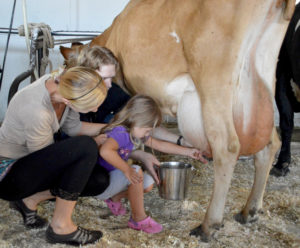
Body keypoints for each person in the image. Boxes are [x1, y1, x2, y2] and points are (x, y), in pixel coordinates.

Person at [0, 66, 111, 246]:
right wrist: (93, 145)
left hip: (29, 165)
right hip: (8, 175)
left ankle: (29, 200)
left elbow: (73, 128)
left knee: (99, 180)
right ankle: (61, 227)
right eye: (92, 106)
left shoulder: (67, 87)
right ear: (69, 100)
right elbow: (49, 164)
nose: (96, 109)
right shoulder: (37, 110)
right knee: (86, 147)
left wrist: (114, 128)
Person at [96, 94, 207, 234]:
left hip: (113, 179)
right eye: (147, 130)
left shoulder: (134, 133)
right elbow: (105, 151)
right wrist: (127, 169)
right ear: (137, 120)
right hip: (101, 182)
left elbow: (160, 145)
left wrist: (189, 152)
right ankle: (139, 220)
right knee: (136, 171)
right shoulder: (121, 132)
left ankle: (114, 198)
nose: (147, 134)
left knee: (147, 184)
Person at [68, 45, 192, 146]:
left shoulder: (113, 93)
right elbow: (74, 129)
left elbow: (141, 120)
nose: (109, 84)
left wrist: (180, 141)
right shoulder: (72, 92)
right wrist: (120, 129)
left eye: (111, 78)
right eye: (104, 78)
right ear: (87, 73)